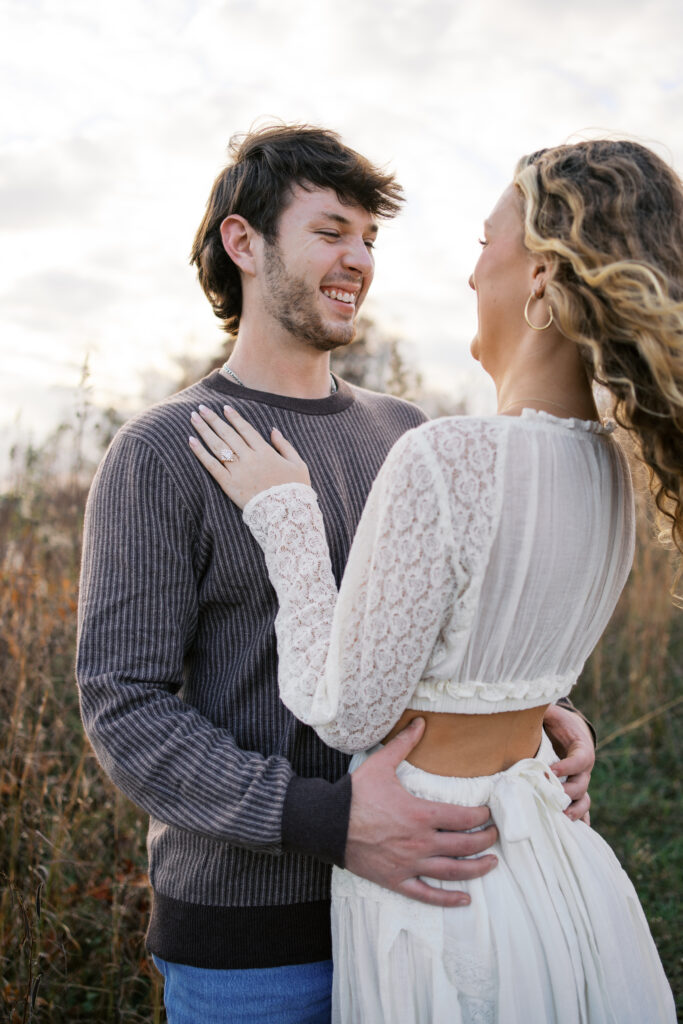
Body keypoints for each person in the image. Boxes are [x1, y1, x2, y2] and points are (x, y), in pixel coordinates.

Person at [76, 124, 596, 1024]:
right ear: (244, 244)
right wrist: (327, 820)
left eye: (369, 239)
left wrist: (536, 724)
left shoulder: (407, 432)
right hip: (258, 951)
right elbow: (127, 707)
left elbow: (444, 639)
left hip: (432, 919)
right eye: (329, 232)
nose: (358, 259)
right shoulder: (162, 452)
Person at [188, 137, 679, 1022]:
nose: (468, 275)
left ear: (538, 281)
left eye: (484, 245)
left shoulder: (441, 451)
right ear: (242, 243)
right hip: (547, 868)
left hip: (441, 885)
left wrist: (286, 517)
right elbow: (507, 665)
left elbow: (345, 712)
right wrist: (549, 725)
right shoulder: (614, 473)